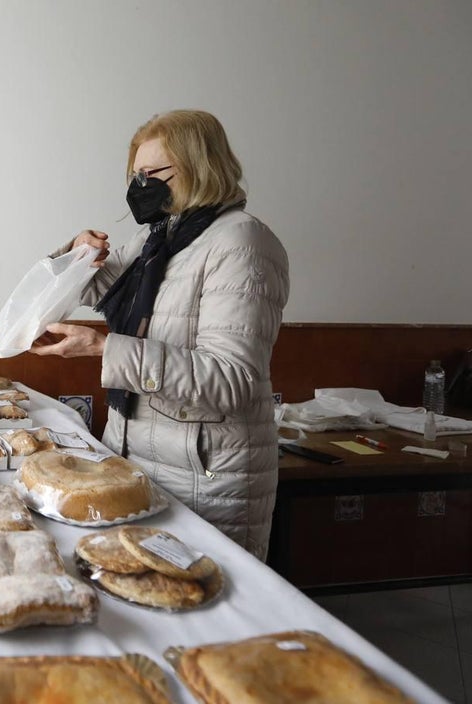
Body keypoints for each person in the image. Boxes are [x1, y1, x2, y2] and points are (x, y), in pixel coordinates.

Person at [30, 110, 289, 559]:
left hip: (205, 480)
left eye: (151, 174)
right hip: (134, 466)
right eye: (135, 175)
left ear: (197, 167)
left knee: (196, 611)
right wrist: (73, 256)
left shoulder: (243, 244)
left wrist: (103, 348)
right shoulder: (155, 243)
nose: (139, 186)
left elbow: (231, 380)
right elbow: (71, 291)